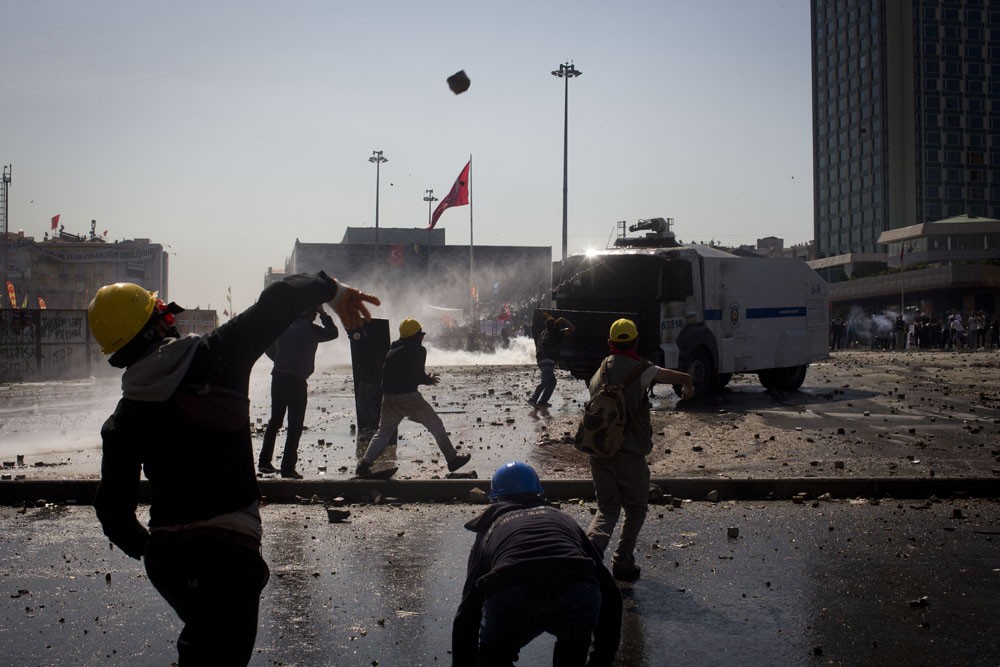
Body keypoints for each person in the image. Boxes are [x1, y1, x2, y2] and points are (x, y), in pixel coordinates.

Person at [89, 273, 379, 665]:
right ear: (161, 324)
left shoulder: (122, 419)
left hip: (168, 561)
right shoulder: (217, 354)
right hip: (229, 556)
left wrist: (153, 548)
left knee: (204, 646)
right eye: (166, 314)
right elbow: (281, 296)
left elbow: (112, 512)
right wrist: (335, 292)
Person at [452, 462, 622, 666]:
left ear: (495, 499)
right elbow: (609, 592)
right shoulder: (563, 519)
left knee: (493, 657)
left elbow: (469, 609)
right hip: (577, 590)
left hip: (513, 592)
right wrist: (601, 660)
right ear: (538, 493)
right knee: (572, 645)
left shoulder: (489, 529)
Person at [586, 318, 694, 582]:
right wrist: (689, 383)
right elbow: (677, 377)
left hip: (599, 451)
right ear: (635, 341)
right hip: (629, 453)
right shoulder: (642, 370)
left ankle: (587, 556)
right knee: (635, 508)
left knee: (607, 508)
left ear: (610, 343)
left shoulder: (600, 370)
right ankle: (622, 561)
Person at [355, 318, 471, 477]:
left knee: (382, 433)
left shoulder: (393, 348)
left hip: (389, 399)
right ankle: (452, 459)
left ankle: (364, 464)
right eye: (421, 333)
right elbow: (416, 375)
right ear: (416, 336)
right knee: (436, 425)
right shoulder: (417, 350)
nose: (422, 336)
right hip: (409, 398)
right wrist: (429, 380)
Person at [258, 305, 340, 479]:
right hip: (296, 381)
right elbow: (333, 333)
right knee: (295, 426)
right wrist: (324, 314)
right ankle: (288, 468)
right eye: (314, 314)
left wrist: (279, 359)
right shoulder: (311, 329)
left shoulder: (283, 327)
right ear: (310, 314)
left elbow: (266, 345)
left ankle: (264, 462)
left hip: (278, 377)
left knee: (275, 421)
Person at [528, 315, 575, 408]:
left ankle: (542, 402)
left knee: (552, 381)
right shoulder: (557, 333)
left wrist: (556, 323)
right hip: (548, 360)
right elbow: (572, 329)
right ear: (554, 326)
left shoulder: (544, 333)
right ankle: (533, 399)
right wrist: (563, 320)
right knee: (546, 380)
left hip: (541, 360)